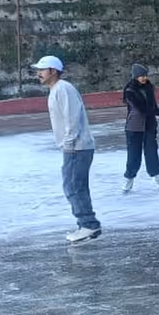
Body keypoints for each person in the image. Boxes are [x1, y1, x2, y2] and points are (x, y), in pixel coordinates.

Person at [32, 55, 102, 244]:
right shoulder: (56, 89)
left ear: (53, 71)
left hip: (77, 147)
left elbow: (73, 118)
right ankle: (87, 224)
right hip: (74, 147)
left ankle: (88, 224)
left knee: (73, 186)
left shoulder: (63, 89)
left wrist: (69, 143)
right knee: (75, 185)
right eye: (38, 70)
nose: (38, 73)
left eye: (42, 69)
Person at [122, 64, 159, 192]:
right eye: (140, 76)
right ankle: (129, 179)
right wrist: (158, 112)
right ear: (135, 77)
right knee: (134, 156)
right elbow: (141, 108)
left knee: (151, 152)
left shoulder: (149, 88)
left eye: (145, 75)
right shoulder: (130, 90)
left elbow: (152, 106)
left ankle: (157, 176)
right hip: (134, 127)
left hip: (149, 125)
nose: (143, 78)